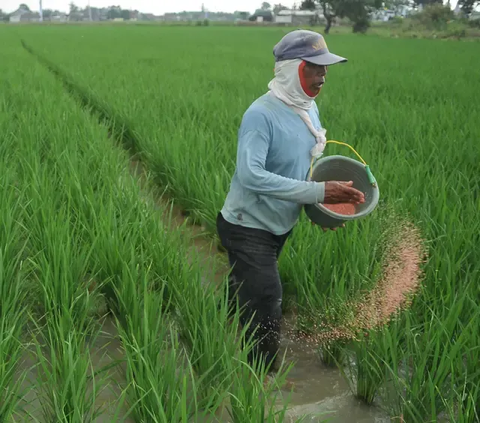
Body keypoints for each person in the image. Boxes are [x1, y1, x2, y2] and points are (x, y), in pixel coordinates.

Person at [216, 30, 365, 373]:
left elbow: (303, 169)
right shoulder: (261, 115)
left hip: (278, 224)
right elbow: (250, 175)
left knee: (245, 285)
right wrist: (318, 192)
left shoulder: (307, 109)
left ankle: (214, 324)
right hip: (246, 225)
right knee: (268, 296)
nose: (323, 75)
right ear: (292, 69)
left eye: (325, 68)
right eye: (314, 67)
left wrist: (318, 208)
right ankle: (260, 378)